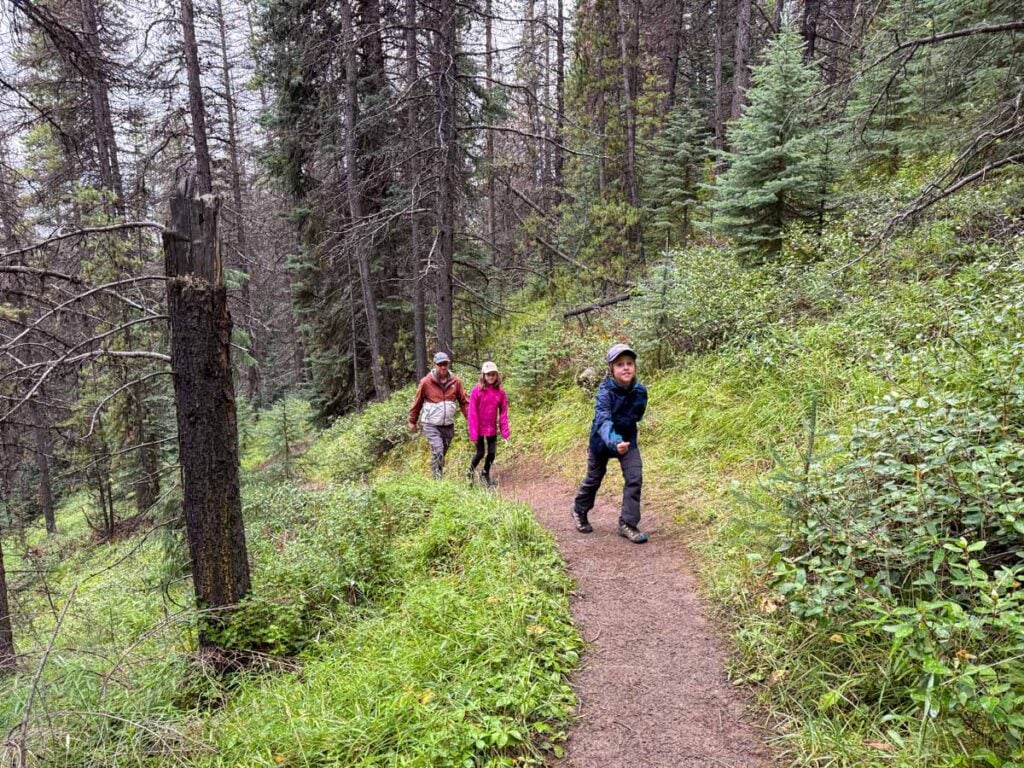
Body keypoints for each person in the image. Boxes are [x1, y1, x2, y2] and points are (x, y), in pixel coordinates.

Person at [571, 343, 649, 543]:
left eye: (629, 363)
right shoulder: (604, 392)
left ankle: (627, 524)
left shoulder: (640, 392)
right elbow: (604, 421)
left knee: (635, 477)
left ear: (635, 367)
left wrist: (624, 439)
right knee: (594, 478)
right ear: (611, 370)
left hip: (628, 440)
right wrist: (614, 442)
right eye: (620, 364)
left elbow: (638, 415)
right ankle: (579, 510)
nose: (625, 368)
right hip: (602, 441)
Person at [408, 352, 470, 479]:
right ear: (435, 365)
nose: (443, 367)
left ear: (448, 364)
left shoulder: (456, 381)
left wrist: (470, 419)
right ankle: (437, 479)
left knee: (442, 452)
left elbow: (464, 401)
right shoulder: (426, 382)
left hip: (448, 424)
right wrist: (412, 421)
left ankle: (437, 472)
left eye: (445, 364)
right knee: (438, 449)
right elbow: (417, 402)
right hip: (431, 424)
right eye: (440, 364)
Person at [466, 361, 510, 488]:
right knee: (480, 453)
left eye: (493, 374)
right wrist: (473, 433)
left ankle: (485, 474)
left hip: (491, 427)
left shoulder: (500, 393)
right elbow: (472, 413)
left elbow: (503, 414)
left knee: (491, 453)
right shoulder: (477, 391)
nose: (490, 377)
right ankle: (469, 472)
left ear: (497, 376)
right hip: (479, 427)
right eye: (488, 374)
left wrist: (505, 433)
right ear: (483, 375)